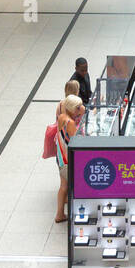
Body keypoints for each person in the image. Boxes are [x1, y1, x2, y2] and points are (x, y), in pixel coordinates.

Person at [53, 94, 85, 223]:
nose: (81, 108)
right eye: (78, 107)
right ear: (73, 109)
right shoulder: (70, 123)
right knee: (72, 186)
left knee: (63, 186)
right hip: (68, 161)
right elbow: (76, 141)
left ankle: (60, 214)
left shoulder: (62, 116)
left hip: (61, 157)